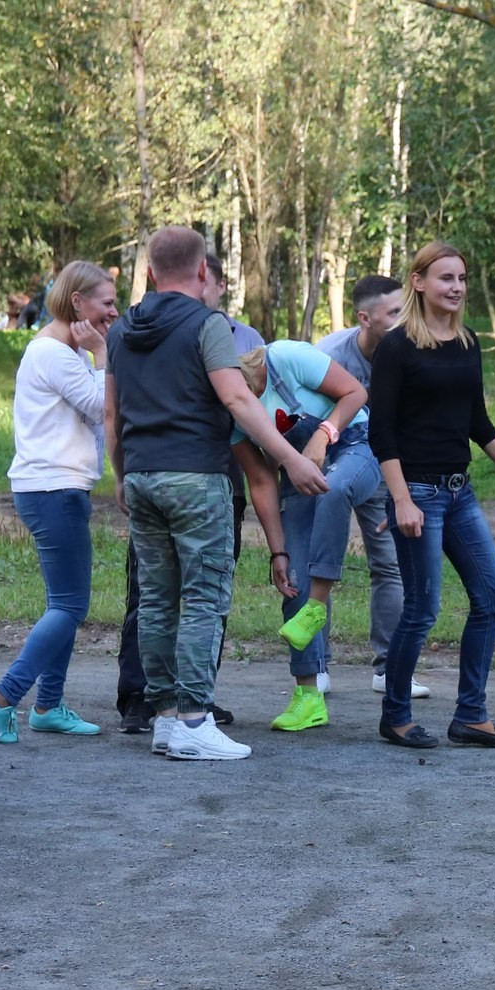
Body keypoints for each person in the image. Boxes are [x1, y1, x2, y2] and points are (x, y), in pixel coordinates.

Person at [106, 227, 325, 763]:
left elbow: (111, 415)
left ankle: (162, 718)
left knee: (156, 599)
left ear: (151, 272)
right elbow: (238, 401)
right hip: (197, 480)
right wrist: (294, 457)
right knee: (203, 599)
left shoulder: (120, 330)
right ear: (203, 271)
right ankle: (194, 720)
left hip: (142, 476)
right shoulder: (208, 325)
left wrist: (120, 475)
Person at [369, 241, 495, 749]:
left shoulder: (466, 343)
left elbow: (476, 419)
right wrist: (401, 500)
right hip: (417, 492)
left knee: (492, 597)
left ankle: (470, 715)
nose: (457, 287)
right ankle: (395, 714)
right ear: (418, 282)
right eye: (446, 278)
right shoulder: (397, 347)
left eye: (462, 278)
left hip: (460, 493)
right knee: (422, 608)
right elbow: (383, 432)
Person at [0, 259, 118, 745]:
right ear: (77, 302)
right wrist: (103, 355)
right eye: (107, 303)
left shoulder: (66, 352)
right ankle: (2, 697)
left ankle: (50, 705)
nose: (113, 313)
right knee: (71, 606)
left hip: (56, 487)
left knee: (64, 603)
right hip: (51, 490)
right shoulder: (55, 354)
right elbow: (101, 407)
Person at [232, 330, 369, 733]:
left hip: (354, 448)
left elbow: (355, 393)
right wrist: (278, 553)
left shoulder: (285, 358)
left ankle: (317, 606)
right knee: (294, 579)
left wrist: (324, 436)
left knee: (336, 488)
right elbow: (260, 481)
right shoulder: (229, 410)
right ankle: (309, 697)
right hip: (297, 481)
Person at [317, 275, 424, 702]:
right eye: (394, 314)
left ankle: (388, 668)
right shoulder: (329, 355)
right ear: (365, 318)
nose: (404, 321)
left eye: (406, 310)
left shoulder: (415, 352)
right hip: (329, 467)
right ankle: (317, 665)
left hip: (385, 468)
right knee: (319, 564)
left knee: (391, 565)